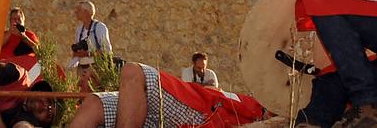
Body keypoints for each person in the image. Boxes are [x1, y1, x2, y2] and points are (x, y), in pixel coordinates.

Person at [70, 61, 265, 128]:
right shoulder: (264, 102)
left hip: (200, 116)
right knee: (93, 103)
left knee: (133, 71)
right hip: (197, 107)